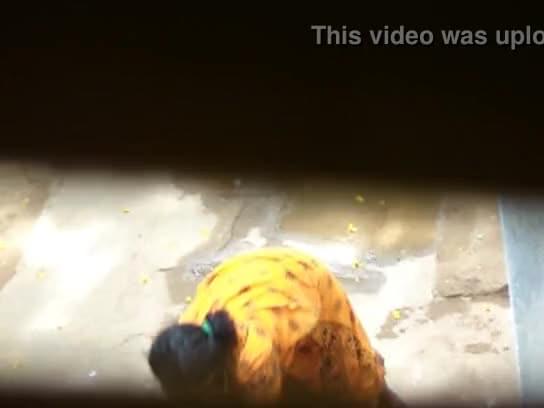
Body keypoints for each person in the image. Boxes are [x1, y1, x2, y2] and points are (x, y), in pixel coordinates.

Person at [148, 247, 405, 406]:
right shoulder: (185, 344)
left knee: (347, 374)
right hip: (248, 279)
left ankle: (383, 396)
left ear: (217, 376)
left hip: (298, 285)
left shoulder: (253, 363)